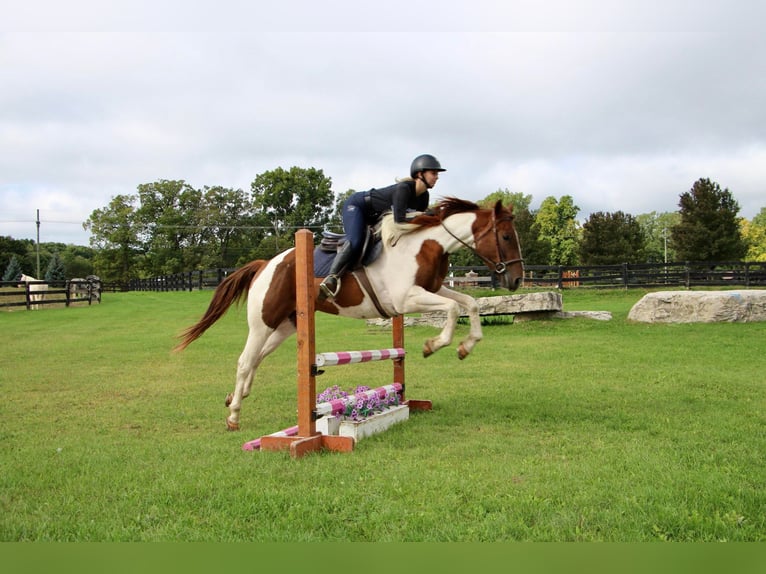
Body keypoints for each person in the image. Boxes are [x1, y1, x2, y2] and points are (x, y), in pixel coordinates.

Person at [318, 154, 446, 301]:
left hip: (376, 216)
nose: (437, 177)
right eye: (434, 173)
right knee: (356, 240)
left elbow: (417, 222)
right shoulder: (404, 189)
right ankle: (331, 278)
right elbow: (400, 221)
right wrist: (426, 215)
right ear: (420, 173)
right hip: (358, 207)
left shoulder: (424, 197)